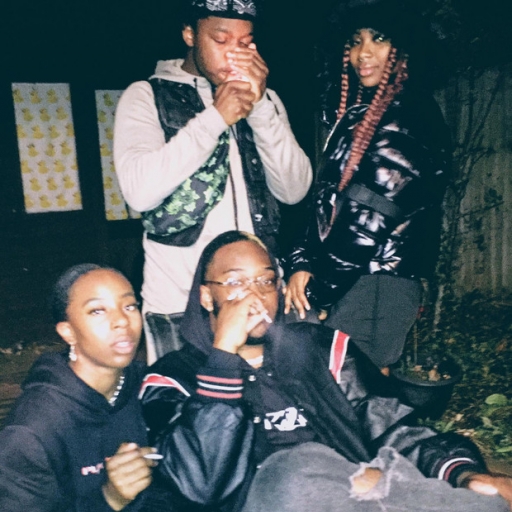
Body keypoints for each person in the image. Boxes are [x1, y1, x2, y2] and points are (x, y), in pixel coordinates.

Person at [139, 231, 512, 512]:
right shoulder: (173, 379)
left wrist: (460, 472)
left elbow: (392, 425)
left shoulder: (321, 349)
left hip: (358, 494)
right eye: (236, 282)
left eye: (266, 281)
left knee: (486, 496)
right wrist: (222, 357)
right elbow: (201, 486)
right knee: (294, 473)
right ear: (207, 296)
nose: (256, 296)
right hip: (275, 497)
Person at [113, 0, 312, 363]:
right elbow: (139, 191)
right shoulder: (146, 95)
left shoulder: (266, 100)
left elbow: (294, 189)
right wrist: (216, 118)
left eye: (245, 43)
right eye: (221, 40)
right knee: (185, 397)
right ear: (189, 34)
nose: (235, 54)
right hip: (179, 300)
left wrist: (260, 107)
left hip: (258, 297)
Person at [283, 0, 451, 369]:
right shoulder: (368, 113)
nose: (364, 53)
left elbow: (366, 220)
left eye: (379, 39)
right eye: (355, 41)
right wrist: (301, 260)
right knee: (348, 386)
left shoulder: (405, 118)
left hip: (375, 281)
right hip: (354, 275)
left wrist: (319, 292)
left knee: (350, 385)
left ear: (405, 48)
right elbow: (326, 202)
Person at [0, 264, 155, 511]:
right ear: (68, 332)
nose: (121, 321)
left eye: (129, 306)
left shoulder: (146, 385)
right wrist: (110, 499)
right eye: (97, 311)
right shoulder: (32, 431)